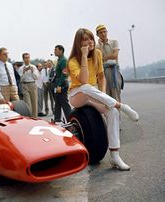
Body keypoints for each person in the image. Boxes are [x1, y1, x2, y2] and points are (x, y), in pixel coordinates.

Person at [68, 28, 139, 171]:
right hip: (77, 95)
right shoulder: (73, 60)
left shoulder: (98, 54)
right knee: (86, 86)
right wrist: (83, 56)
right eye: (85, 40)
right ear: (79, 43)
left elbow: (101, 77)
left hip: (92, 92)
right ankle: (122, 106)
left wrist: (102, 95)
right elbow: (82, 80)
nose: (90, 42)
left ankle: (115, 156)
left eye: (91, 39)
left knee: (112, 112)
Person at [96, 24, 123, 102]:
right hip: (103, 72)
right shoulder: (97, 47)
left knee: (116, 96)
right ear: (97, 35)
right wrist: (101, 46)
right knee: (106, 96)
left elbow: (115, 55)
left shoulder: (114, 42)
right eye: (101, 33)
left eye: (104, 32)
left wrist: (104, 58)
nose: (103, 34)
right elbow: (99, 59)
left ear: (107, 32)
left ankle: (118, 114)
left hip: (114, 71)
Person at [53, 45, 72, 123]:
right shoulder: (59, 59)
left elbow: (64, 74)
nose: (54, 51)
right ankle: (57, 120)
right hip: (58, 83)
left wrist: (59, 85)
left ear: (61, 51)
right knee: (57, 103)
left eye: (56, 50)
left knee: (64, 104)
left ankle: (70, 120)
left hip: (62, 84)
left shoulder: (64, 60)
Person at [18, 53, 38, 118]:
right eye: (26, 58)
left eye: (28, 57)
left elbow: (36, 77)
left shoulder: (33, 67)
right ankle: (29, 117)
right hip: (25, 85)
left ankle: (35, 117)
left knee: (34, 102)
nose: (27, 59)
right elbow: (20, 80)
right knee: (27, 103)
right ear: (23, 59)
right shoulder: (21, 68)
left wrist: (32, 71)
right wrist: (23, 72)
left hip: (32, 84)